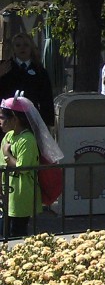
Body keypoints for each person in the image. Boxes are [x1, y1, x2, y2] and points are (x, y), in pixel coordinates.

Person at [1, 96, 62, 238]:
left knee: (17, 231)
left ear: (15, 119)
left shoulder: (27, 139)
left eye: (3, 117)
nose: (0, 121)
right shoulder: (8, 136)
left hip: (22, 193)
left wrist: (7, 154)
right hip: (7, 192)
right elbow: (2, 165)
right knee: (4, 230)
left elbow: (23, 167)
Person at [0, 32, 55, 127]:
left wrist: (47, 122)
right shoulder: (4, 67)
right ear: (13, 48)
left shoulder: (39, 71)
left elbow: (46, 99)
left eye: (26, 45)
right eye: (18, 45)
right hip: (7, 118)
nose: (22, 48)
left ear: (31, 48)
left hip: (31, 119)